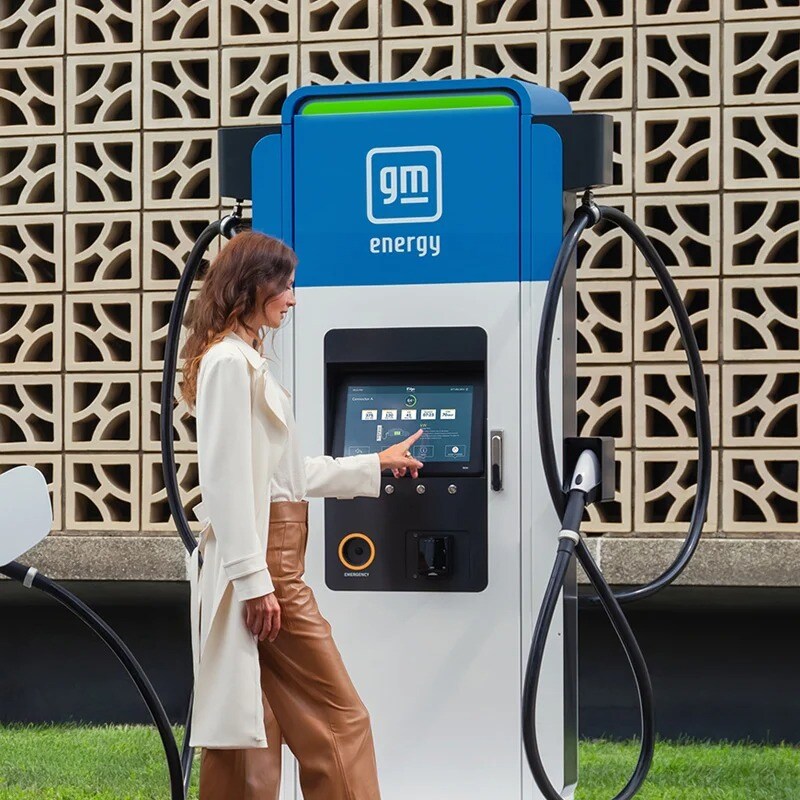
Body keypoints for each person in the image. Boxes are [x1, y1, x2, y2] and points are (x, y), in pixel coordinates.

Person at [179, 230, 424, 800]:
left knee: (251, 731)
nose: (293, 299)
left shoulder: (243, 360)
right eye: (285, 286)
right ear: (251, 287)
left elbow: (282, 476)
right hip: (267, 566)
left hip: (265, 563)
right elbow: (226, 482)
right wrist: (255, 581)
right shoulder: (229, 364)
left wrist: (373, 463)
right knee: (341, 720)